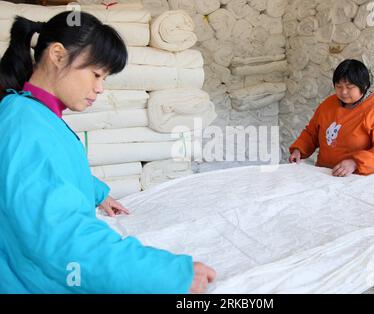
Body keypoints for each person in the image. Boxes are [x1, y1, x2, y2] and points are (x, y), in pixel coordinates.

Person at [0, 12, 215, 293]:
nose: (100, 88)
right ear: (57, 55)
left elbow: (50, 174)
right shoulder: (27, 125)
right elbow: (62, 239)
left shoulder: (31, 113)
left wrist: (97, 193)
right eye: (97, 74)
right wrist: (166, 275)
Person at [289, 59, 374, 176]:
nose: (343, 92)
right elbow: (311, 133)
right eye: (339, 86)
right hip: (326, 174)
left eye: (349, 87)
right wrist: (298, 150)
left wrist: (355, 162)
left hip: (359, 176)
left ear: (364, 86)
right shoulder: (328, 104)